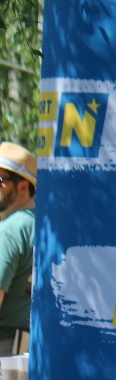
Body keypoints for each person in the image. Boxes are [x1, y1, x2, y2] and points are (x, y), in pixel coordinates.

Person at [0, 142, 36, 356]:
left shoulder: (10, 231)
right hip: (31, 348)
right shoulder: (46, 224)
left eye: (0, 180)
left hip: (4, 347)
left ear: (23, 186)